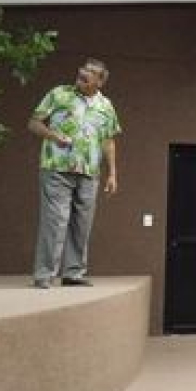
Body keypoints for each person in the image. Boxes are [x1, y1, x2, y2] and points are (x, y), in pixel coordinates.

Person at [28, 58, 120, 288]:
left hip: (89, 171)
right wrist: (51, 135)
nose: (82, 73)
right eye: (82, 69)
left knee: (82, 224)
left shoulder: (106, 106)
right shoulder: (59, 94)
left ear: (100, 81)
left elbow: (108, 140)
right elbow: (33, 123)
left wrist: (112, 174)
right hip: (57, 167)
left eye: (90, 72)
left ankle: (73, 273)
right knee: (55, 222)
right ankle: (44, 274)